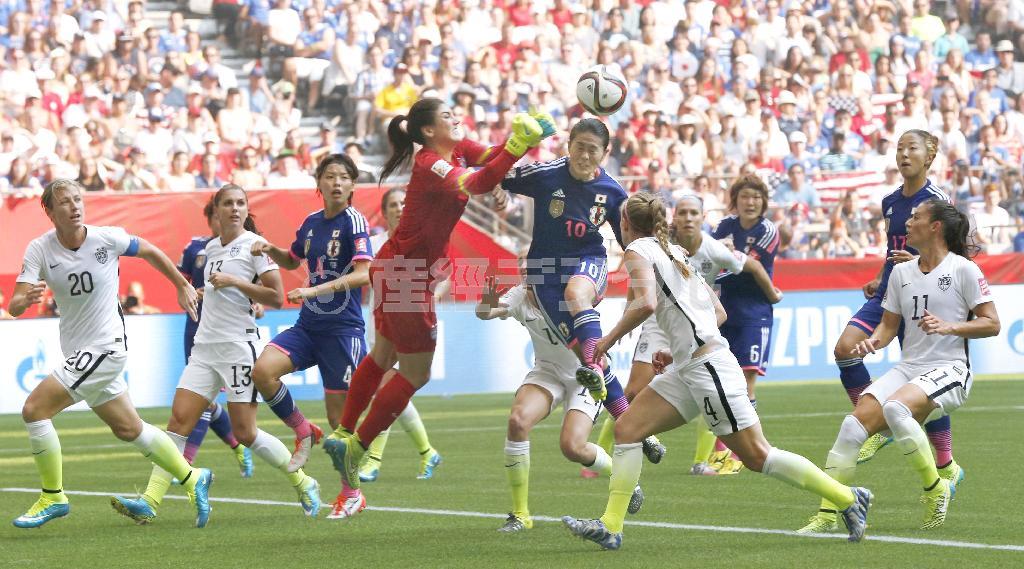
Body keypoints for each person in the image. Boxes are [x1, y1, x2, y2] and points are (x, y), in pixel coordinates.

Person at [561, 193, 872, 550]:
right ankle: (611, 526)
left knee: (757, 455)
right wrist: (677, 348)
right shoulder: (674, 252)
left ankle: (848, 497)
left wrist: (607, 341)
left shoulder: (638, 252)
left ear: (625, 224)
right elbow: (718, 311)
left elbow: (645, 302)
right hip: (691, 365)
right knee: (628, 428)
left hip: (708, 368)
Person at [318, 98, 547, 515]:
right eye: (446, 116)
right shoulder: (429, 164)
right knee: (416, 372)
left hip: (395, 266)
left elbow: (491, 160)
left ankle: (345, 432)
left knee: (383, 353)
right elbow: (476, 183)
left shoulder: (455, 150)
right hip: (407, 274)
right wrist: (518, 146)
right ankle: (358, 447)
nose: (457, 118)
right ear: (427, 131)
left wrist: (517, 144)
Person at [110, 184, 322, 525]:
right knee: (178, 422)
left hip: (239, 347)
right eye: (228, 203)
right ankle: (150, 500)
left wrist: (237, 284)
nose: (235, 209)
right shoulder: (209, 248)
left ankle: (304, 481)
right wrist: (197, 292)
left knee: (245, 433)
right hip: (205, 348)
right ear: (216, 211)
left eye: (240, 203)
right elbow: (217, 288)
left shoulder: (255, 247)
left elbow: (276, 297)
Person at [8, 179, 212, 528]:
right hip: (80, 352)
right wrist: (22, 301)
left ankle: (53, 496)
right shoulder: (39, 249)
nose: (74, 206)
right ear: (49, 211)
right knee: (129, 428)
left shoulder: (107, 238)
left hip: (106, 347)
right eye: (65, 202)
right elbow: (14, 304)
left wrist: (181, 284)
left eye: (77, 199)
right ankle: (192, 478)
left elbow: (149, 250)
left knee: (34, 410)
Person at [799, 198, 997, 531]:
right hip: (910, 367)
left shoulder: (964, 269)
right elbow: (889, 326)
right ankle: (829, 515)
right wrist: (872, 343)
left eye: (916, 217)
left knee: (896, 409)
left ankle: (936, 489)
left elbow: (991, 323)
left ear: (935, 227)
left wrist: (950, 326)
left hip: (951, 369)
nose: (907, 222)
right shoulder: (902, 272)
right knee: (851, 427)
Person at [808, 129, 961, 533]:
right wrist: (881, 276)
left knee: (923, 381)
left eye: (912, 147)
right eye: (899, 147)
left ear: (930, 156)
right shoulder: (891, 201)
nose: (903, 153)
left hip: (924, 294)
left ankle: (945, 466)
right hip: (891, 292)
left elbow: (957, 254)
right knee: (845, 348)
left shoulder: (939, 201)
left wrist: (917, 258)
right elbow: (891, 252)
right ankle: (874, 427)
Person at [499, 118, 665, 473]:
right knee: (591, 359)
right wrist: (498, 185)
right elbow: (501, 174)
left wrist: (641, 294)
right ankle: (637, 427)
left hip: (588, 263)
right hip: (543, 276)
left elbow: (633, 246)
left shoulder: (613, 192)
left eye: (593, 149)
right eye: (580, 146)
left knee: (577, 294)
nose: (585, 155)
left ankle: (593, 369)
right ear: (568, 145)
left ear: (604, 153)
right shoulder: (547, 175)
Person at [248, 154, 379, 520]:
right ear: (317, 184)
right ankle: (303, 430)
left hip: (342, 329)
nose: (336, 183)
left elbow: (363, 274)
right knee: (263, 372)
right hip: (309, 326)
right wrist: (268, 248)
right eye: (329, 176)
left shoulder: (355, 221)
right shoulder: (309, 223)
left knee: (341, 425)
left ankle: (352, 492)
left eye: (343, 177)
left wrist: (315, 291)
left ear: (352, 186)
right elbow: (292, 260)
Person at [627, 194, 782, 476]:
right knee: (631, 405)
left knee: (757, 455)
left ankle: (843, 495)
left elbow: (719, 307)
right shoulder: (667, 248)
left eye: (693, 213)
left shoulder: (705, 250)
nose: (688, 218)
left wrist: (773, 295)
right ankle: (611, 507)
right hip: (679, 337)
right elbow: (641, 294)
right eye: (682, 212)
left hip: (699, 344)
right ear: (671, 218)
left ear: (702, 217)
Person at [477, 272, 643, 533]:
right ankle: (521, 515)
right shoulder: (520, 295)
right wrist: (486, 301)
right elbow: (484, 314)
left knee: (572, 447)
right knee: (517, 422)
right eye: (523, 268)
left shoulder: (570, 291)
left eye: (531, 266)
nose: (526, 273)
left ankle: (627, 481)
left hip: (584, 375)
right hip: (547, 372)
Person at [357, 187, 442, 485]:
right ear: (385, 211)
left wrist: (427, 297)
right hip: (378, 322)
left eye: (404, 202)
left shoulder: (422, 240)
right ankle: (427, 451)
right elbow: (362, 276)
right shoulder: (375, 244)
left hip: (409, 323)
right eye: (392, 204)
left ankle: (375, 458)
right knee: (393, 392)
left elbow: (442, 277)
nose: (398, 207)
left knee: (388, 390)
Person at [176, 198, 254, 478]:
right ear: (212, 217)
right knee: (205, 400)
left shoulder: (244, 247)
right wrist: (186, 292)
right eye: (217, 214)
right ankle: (236, 445)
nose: (222, 219)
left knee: (206, 401)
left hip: (228, 332)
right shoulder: (197, 248)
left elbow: (259, 289)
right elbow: (181, 281)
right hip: (196, 329)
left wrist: (254, 303)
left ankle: (185, 462)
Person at [707, 175, 780, 474]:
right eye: (744, 196)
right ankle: (724, 450)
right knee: (723, 380)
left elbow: (747, 265)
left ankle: (741, 452)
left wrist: (772, 294)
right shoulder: (724, 226)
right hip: (724, 311)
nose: (750, 202)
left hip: (754, 311)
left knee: (747, 380)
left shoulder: (767, 230)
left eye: (756, 197)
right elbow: (709, 257)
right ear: (735, 200)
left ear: (763, 202)